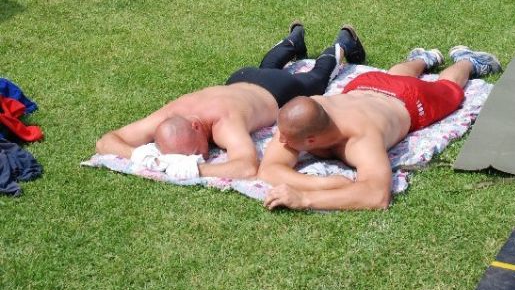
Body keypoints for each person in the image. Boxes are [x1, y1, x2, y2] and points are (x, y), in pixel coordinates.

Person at [95, 23, 366, 181]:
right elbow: (106, 141)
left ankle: (343, 43)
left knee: (315, 80)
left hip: (275, 90)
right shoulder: (169, 115)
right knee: (267, 67)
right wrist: (141, 156)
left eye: (195, 151)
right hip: (240, 78)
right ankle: (293, 39)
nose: (200, 155)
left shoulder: (223, 124)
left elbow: (247, 167)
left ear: (196, 126)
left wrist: (197, 169)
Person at [260, 46, 502, 212]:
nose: (279, 140)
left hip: (408, 98)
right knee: (394, 76)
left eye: (285, 138)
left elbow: (377, 195)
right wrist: (324, 184)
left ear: (311, 141)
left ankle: (468, 61)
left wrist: (304, 198)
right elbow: (269, 170)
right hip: (365, 85)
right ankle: (423, 59)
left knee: (448, 89)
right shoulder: (299, 116)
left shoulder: (361, 140)